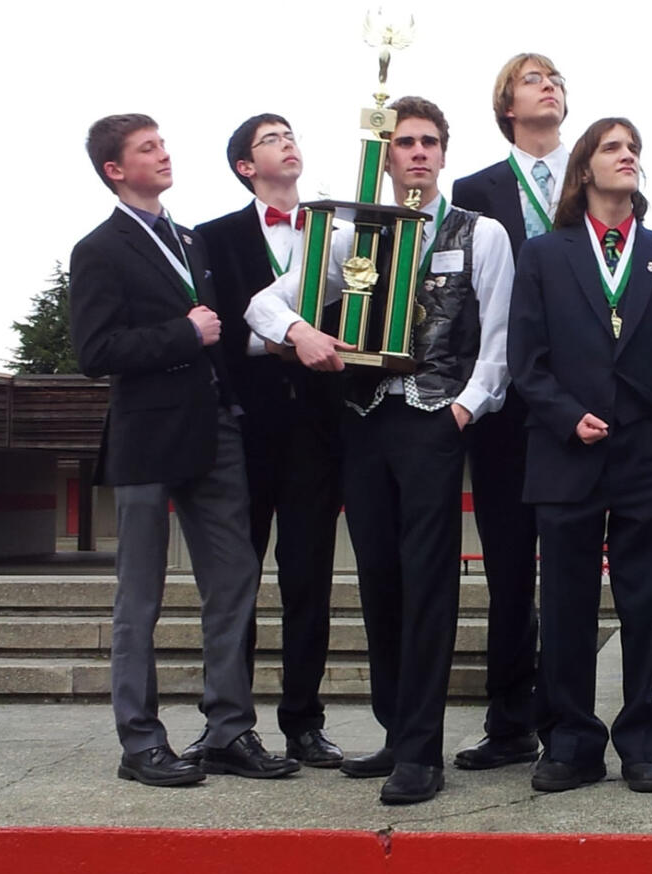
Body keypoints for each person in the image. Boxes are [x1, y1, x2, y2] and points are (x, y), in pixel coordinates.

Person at [247, 96, 514, 804]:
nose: (419, 152)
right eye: (405, 143)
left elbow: (499, 341)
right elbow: (264, 303)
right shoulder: (353, 237)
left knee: (429, 579)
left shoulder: (479, 232)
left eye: (430, 141)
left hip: (435, 420)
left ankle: (423, 751)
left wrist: (464, 408)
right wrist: (301, 333)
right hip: (364, 420)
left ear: (445, 153)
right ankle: (398, 730)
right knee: (378, 578)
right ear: (387, 156)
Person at [69, 114, 299, 786]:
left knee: (233, 584)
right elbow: (95, 351)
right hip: (145, 438)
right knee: (139, 596)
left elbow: (223, 333)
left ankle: (229, 730)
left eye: (163, 144)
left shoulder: (190, 239)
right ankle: (139, 742)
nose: (164, 154)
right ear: (115, 170)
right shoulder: (100, 249)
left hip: (215, 432)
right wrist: (181, 332)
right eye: (148, 149)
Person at [508, 117, 652, 793]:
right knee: (564, 606)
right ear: (584, 169)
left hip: (650, 458)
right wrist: (568, 417)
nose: (628, 157)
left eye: (634, 149)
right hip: (567, 454)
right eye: (612, 148)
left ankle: (641, 743)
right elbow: (525, 362)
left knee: (645, 604)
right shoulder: (544, 255)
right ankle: (569, 743)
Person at [190, 114, 345, 768]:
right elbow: (218, 331)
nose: (289, 142)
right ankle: (231, 722)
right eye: (271, 139)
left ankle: (304, 723)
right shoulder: (215, 236)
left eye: (290, 134)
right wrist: (284, 339)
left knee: (309, 579)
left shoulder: (338, 233)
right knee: (238, 581)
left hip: (317, 429)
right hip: (246, 433)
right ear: (246, 166)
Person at [449, 52, 569, 770]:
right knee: (508, 575)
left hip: (574, 409)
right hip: (501, 414)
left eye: (556, 79)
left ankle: (568, 721)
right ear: (506, 106)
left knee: (570, 570)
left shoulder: (592, 186)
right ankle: (508, 722)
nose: (549, 87)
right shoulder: (473, 191)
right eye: (534, 80)